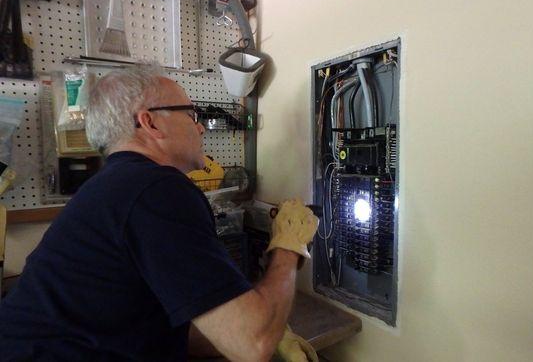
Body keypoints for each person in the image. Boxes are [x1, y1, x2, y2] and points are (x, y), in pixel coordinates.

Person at [0, 66, 318, 361]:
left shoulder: (115, 188)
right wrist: (288, 247)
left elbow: (150, 328)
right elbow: (253, 345)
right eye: (191, 114)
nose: (200, 128)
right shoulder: (155, 190)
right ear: (149, 122)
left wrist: (268, 330)